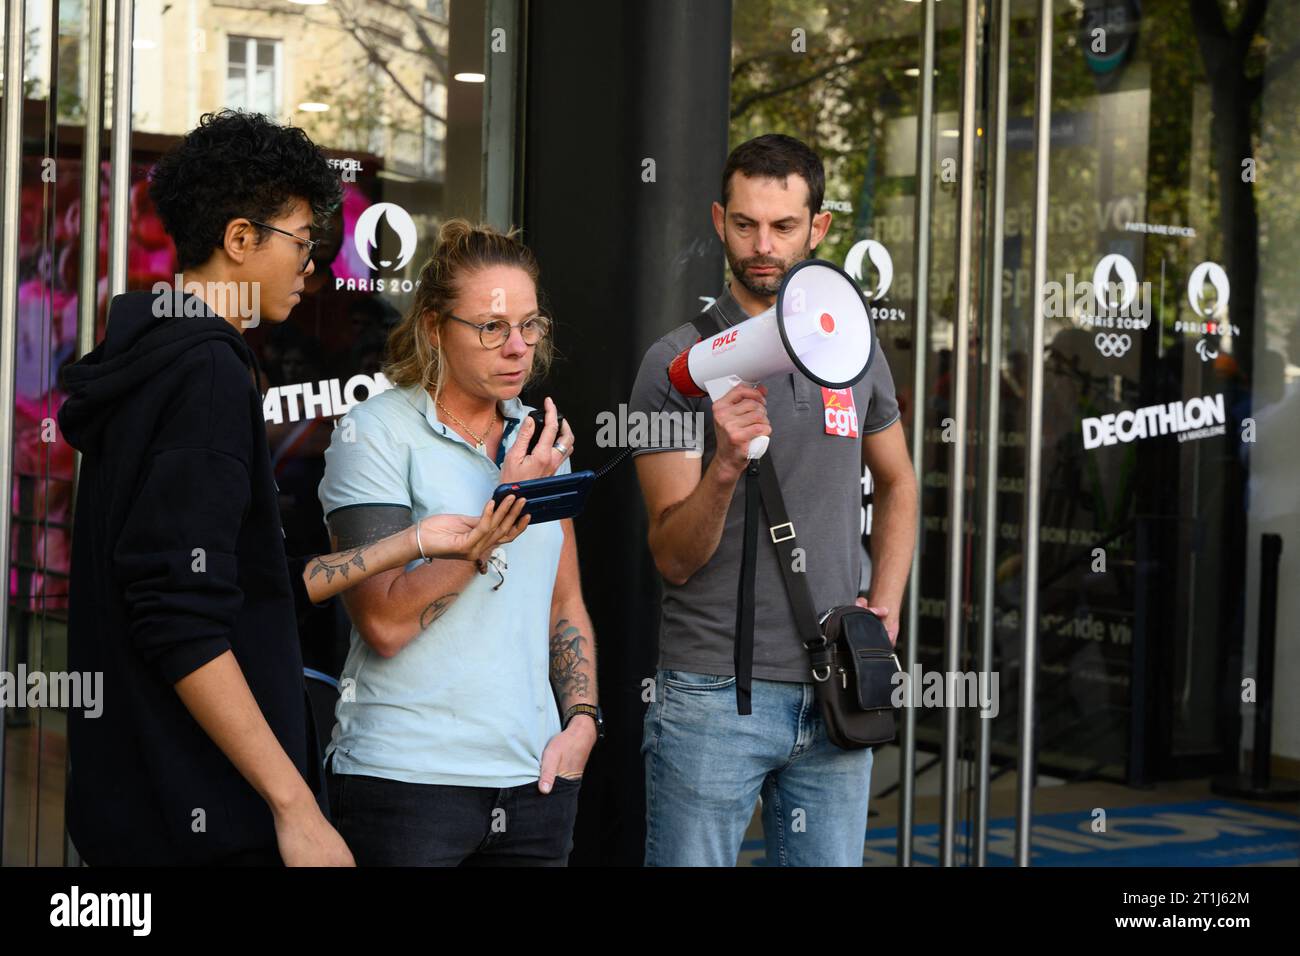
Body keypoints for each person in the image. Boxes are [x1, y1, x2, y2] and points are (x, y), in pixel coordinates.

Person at [56, 110, 526, 866]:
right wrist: (295, 806)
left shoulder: (152, 352)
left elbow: (237, 588)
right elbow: (179, 619)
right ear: (240, 239)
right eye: (304, 242)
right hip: (198, 810)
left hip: (146, 800)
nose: (312, 268)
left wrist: (409, 543)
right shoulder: (203, 373)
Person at [629, 134, 918, 867]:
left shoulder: (853, 346)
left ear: (817, 228)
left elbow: (898, 480)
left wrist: (885, 605)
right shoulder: (675, 366)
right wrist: (724, 464)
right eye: (746, 224)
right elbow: (671, 556)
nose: (763, 245)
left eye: (784, 226)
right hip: (711, 696)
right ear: (719, 220)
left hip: (836, 690)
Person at [318, 219, 602, 866]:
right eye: (492, 327)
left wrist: (583, 720)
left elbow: (565, 602)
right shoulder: (375, 433)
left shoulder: (537, 440)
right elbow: (385, 622)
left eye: (530, 325)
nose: (517, 348)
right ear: (433, 329)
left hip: (536, 783)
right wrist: (495, 514)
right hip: (408, 786)